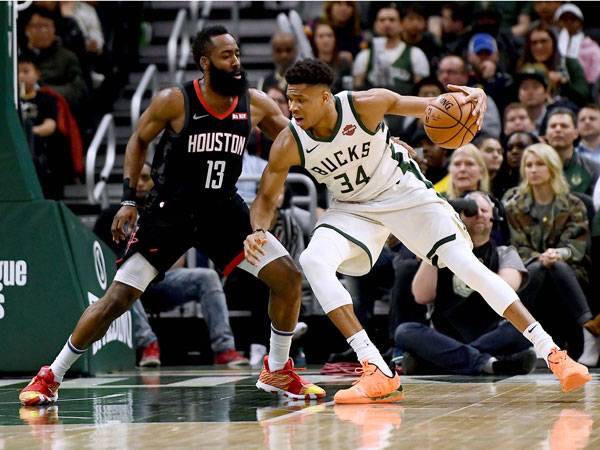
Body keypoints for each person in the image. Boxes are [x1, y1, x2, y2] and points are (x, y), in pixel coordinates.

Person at [245, 59, 590, 404]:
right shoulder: (289, 142)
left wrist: (474, 95)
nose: (292, 108)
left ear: (325, 98)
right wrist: (258, 230)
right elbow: (267, 196)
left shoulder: (365, 105)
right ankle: (375, 367)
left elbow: (434, 106)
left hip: (407, 195)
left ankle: (553, 353)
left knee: (466, 265)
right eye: (290, 99)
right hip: (353, 208)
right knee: (313, 260)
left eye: (301, 99)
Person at [19, 26, 325, 407]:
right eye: (226, 56)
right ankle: (51, 375)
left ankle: (277, 368)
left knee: (288, 277)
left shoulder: (255, 103)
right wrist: (129, 200)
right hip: (171, 212)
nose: (236, 62)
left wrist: (344, 145)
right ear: (205, 62)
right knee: (117, 299)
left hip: (223, 210)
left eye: (237, 54)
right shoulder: (175, 100)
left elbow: (298, 142)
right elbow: (137, 141)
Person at [93, 162, 249, 368]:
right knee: (124, 281)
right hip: (124, 285)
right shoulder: (111, 215)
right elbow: (95, 253)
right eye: (136, 178)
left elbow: (179, 260)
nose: (140, 184)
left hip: (159, 279)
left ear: (155, 181)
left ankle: (224, 349)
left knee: (208, 277)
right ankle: (148, 344)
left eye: (146, 178)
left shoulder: (166, 210)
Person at [396, 192, 536, 376]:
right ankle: (488, 363)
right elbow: (422, 295)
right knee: (405, 331)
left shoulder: (504, 252)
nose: (478, 215)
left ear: (494, 217)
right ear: (458, 218)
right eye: (470, 210)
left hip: (488, 336)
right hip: (444, 335)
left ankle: (450, 359)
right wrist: (436, 241)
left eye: (484, 210)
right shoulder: (441, 253)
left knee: (523, 330)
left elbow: (505, 288)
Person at [505, 143, 600, 367]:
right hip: (531, 268)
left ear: (552, 167)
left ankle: (588, 333)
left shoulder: (573, 204)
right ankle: (532, 336)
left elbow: (577, 246)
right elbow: (517, 247)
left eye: (540, 164)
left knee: (557, 267)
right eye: (529, 165)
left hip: (570, 271)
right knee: (538, 268)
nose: (533, 170)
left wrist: (557, 254)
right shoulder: (515, 204)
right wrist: (539, 257)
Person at [353, 3, 429, 95]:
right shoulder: (364, 55)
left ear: (401, 24)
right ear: (375, 25)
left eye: (392, 20)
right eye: (382, 20)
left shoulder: (416, 54)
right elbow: (357, 91)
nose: (387, 24)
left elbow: (422, 92)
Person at [546, 108, 600, 196]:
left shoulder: (592, 169)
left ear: (576, 133)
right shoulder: (534, 166)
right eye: (553, 126)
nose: (558, 129)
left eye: (564, 126)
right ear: (546, 134)